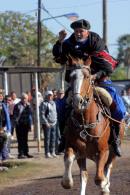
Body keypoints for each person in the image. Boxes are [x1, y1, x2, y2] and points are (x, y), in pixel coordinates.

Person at [52, 19, 126, 157]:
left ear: (87, 31)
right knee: (61, 107)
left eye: (81, 31)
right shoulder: (68, 43)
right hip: (78, 84)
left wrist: (94, 76)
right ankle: (64, 139)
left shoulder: (96, 42)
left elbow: (107, 66)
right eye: (76, 31)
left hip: (100, 81)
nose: (78, 34)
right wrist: (59, 41)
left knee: (120, 110)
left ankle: (115, 140)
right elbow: (59, 57)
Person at [13, 93, 33, 159]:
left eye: (26, 98)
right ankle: (20, 154)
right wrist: (16, 123)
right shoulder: (17, 105)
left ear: (27, 99)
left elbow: (30, 116)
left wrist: (30, 125)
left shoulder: (28, 106)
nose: (25, 100)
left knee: (25, 139)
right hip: (19, 125)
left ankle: (26, 153)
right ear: (21, 99)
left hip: (26, 125)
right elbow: (15, 116)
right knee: (20, 140)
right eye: (23, 98)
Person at [40, 90, 57, 158]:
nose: (50, 97)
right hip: (47, 124)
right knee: (47, 139)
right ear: (46, 96)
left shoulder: (54, 103)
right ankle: (47, 153)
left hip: (54, 123)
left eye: (51, 95)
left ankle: (52, 151)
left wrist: (55, 121)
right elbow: (42, 114)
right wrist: (46, 122)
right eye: (49, 95)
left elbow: (55, 113)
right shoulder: (44, 104)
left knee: (53, 138)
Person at [0, 89, 11, 161]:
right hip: (0, 128)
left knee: (4, 142)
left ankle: (4, 157)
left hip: (3, 128)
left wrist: (6, 127)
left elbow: (5, 117)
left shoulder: (3, 105)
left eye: (1, 94)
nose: (1, 96)